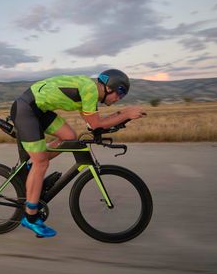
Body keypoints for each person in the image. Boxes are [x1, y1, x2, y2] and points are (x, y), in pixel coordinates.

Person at [10, 69, 146, 238]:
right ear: (109, 88)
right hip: (26, 110)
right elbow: (97, 125)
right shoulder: (90, 90)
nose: (118, 99)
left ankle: (32, 165)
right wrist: (125, 114)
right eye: (120, 94)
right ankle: (30, 217)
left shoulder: (90, 92)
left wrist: (122, 118)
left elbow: (93, 125)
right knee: (42, 163)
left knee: (69, 137)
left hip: (39, 110)